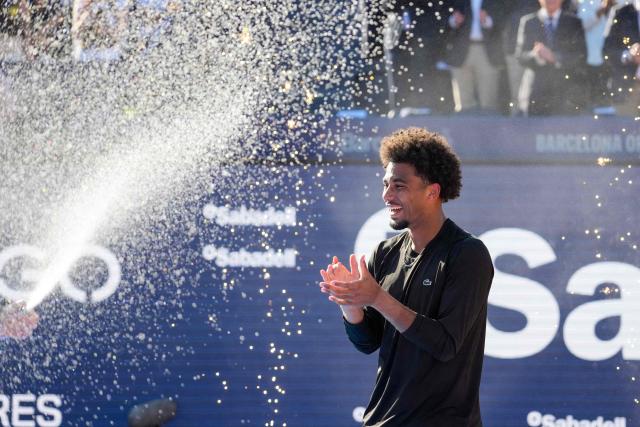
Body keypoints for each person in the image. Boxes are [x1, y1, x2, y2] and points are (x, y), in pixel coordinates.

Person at [318, 127, 494, 426]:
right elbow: (368, 342)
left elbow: (445, 343)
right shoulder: (384, 253)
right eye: (385, 184)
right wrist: (350, 304)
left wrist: (377, 297)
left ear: (432, 191)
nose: (387, 195)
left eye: (398, 186)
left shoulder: (467, 254)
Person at [516, 0, 588, 115]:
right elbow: (520, 56)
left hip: (565, 91)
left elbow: (580, 55)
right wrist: (536, 54)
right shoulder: (529, 22)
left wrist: (555, 58)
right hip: (536, 91)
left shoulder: (574, 22)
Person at [445, 0, 506, 113]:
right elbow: (440, 17)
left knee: (488, 100)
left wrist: (487, 21)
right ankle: (463, 126)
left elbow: (506, 17)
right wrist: (454, 21)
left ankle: (488, 126)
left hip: (487, 51)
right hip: (460, 52)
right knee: (463, 102)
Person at [603, 0, 640, 116]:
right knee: (624, 129)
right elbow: (607, 51)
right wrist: (629, 55)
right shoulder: (621, 13)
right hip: (626, 88)